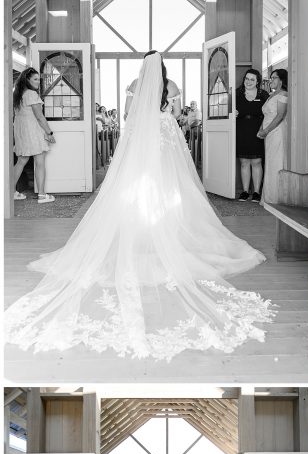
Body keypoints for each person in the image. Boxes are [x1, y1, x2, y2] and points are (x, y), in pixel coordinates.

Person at [4, 51, 273, 360]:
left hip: (147, 140)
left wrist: (132, 146)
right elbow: (178, 117)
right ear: (162, 68)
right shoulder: (170, 86)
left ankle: (144, 235)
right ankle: (162, 235)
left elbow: (129, 118)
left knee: (142, 192)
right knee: (171, 190)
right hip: (165, 138)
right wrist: (171, 123)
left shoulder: (135, 83)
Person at [11, 67, 57, 203]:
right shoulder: (31, 94)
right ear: (27, 80)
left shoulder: (18, 94)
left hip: (21, 132)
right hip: (33, 132)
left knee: (21, 162)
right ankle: (42, 195)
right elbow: (40, 117)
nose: (38, 82)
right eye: (35, 79)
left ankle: (10, 192)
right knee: (40, 162)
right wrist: (49, 133)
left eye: (39, 79)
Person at [236, 68, 269, 202]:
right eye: (246, 79)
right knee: (244, 162)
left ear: (257, 81)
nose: (248, 81)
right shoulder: (237, 94)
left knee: (257, 161)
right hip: (241, 129)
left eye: (252, 79)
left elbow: (270, 112)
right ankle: (245, 191)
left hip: (258, 129)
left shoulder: (263, 95)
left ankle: (256, 192)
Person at [258, 68, 289, 204]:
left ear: (281, 80)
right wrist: (261, 129)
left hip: (277, 131)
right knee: (270, 161)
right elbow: (267, 115)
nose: (271, 80)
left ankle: (275, 198)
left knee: (276, 161)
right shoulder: (272, 95)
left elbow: (280, 115)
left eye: (274, 78)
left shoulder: (283, 94)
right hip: (269, 132)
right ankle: (269, 196)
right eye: (270, 78)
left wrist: (267, 130)